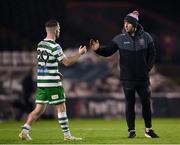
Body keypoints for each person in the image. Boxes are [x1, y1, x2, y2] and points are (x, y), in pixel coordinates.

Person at [89, 10, 159, 138]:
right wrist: (98, 50)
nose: (125, 25)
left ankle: (148, 130)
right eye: (124, 23)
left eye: (128, 23)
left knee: (146, 104)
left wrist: (147, 68)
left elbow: (153, 53)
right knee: (130, 104)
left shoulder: (146, 37)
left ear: (135, 24)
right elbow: (108, 51)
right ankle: (131, 131)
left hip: (143, 78)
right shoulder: (119, 39)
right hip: (127, 79)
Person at [19, 19, 87, 141]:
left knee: (38, 110)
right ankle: (67, 136)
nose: (59, 31)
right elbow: (67, 62)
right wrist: (80, 53)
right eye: (59, 29)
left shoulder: (40, 44)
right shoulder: (55, 46)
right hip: (52, 84)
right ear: (56, 31)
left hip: (42, 82)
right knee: (61, 107)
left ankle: (25, 131)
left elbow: (43, 64)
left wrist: (55, 72)